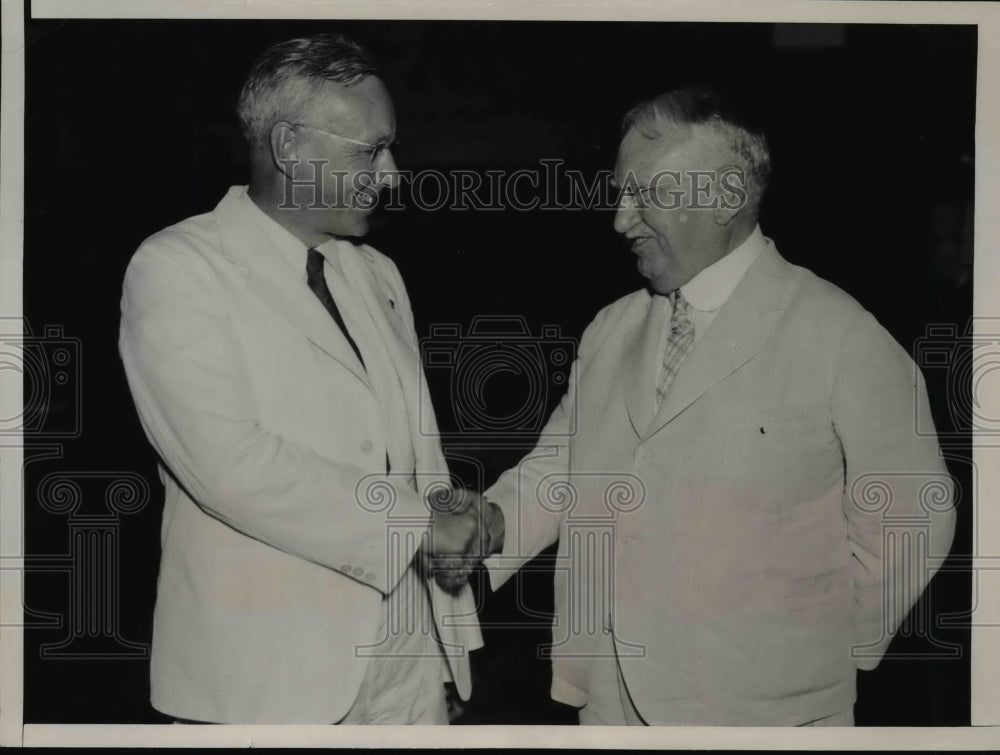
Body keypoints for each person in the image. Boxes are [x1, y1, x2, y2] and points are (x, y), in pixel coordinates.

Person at [479, 87, 956, 726]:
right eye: (620, 194)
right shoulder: (611, 328)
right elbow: (559, 473)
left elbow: (914, 515)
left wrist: (825, 647)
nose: (621, 220)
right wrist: (484, 529)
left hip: (765, 716)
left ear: (727, 196)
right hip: (609, 702)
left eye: (645, 194)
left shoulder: (840, 334)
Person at [119, 32, 498, 724]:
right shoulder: (178, 267)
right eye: (370, 150)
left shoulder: (376, 272)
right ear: (289, 145)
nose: (392, 174)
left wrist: (446, 627)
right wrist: (421, 524)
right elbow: (231, 466)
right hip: (269, 683)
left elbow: (416, 454)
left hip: (410, 670)